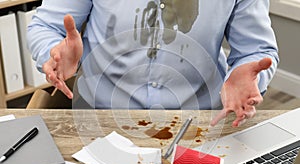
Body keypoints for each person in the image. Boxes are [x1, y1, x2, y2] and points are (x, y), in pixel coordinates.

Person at [27, 0, 279, 127]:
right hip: (98, 119)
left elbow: (256, 50)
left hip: (200, 124)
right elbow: (45, 26)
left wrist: (247, 75)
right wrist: (53, 55)